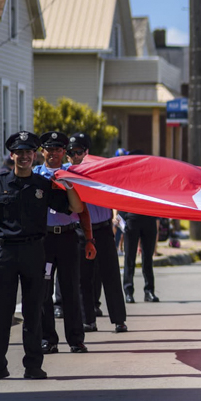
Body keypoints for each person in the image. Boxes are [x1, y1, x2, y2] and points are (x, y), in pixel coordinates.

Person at [0, 131, 85, 381]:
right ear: (12, 155)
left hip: (34, 252)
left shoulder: (43, 186)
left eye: (28, 152)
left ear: (34, 155)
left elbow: (75, 207)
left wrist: (69, 185)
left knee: (34, 311)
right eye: (19, 152)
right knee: (1, 311)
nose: (24, 156)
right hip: (5, 253)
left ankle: (33, 366)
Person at [35, 131, 96, 355]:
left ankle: (76, 339)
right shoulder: (35, 175)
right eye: (49, 149)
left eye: (58, 149)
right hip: (45, 240)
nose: (53, 153)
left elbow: (84, 210)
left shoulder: (72, 174)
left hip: (69, 237)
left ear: (64, 152)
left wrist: (89, 240)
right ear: (42, 151)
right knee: (44, 290)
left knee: (70, 290)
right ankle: (48, 339)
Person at [67, 133, 128, 334]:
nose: (75, 156)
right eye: (71, 153)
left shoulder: (99, 171)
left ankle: (119, 319)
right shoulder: (66, 174)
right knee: (84, 277)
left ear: (87, 152)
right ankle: (88, 320)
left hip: (102, 229)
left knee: (110, 274)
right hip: (80, 232)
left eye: (78, 152)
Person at [119, 151, 160, 303]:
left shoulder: (151, 177)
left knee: (147, 258)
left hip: (148, 218)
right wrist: (121, 218)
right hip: (132, 219)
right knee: (129, 257)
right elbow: (121, 197)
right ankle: (128, 291)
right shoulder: (128, 176)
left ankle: (149, 291)